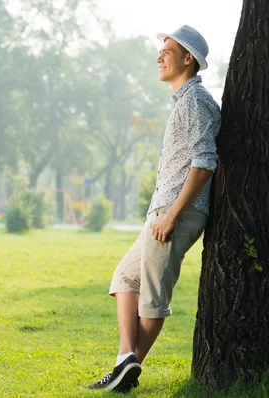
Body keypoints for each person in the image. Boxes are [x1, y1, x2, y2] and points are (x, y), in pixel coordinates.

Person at [87, 25, 222, 392]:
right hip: (164, 212)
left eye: (167, 50)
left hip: (177, 213)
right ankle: (124, 362)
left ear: (188, 58)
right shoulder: (183, 100)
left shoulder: (195, 101)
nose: (159, 56)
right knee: (125, 278)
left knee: (153, 298)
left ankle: (123, 375)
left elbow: (204, 163)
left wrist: (172, 215)